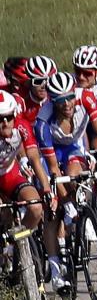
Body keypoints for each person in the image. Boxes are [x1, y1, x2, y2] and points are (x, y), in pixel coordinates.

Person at [0, 91, 60, 288]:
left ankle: (17, 246)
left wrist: (46, 189)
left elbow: (34, 159)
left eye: (9, 117)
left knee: (35, 207)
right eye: (0, 119)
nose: (5, 123)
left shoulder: (21, 126)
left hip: (9, 174)